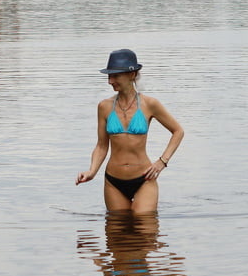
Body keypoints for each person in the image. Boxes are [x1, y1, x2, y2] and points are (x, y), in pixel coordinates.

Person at [75, 49, 184, 213]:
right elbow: (102, 145)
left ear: (132, 74)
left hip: (144, 179)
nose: (110, 81)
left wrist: (162, 162)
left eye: (115, 76)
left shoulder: (150, 104)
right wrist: (92, 171)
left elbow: (178, 131)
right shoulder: (104, 107)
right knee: (116, 235)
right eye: (109, 76)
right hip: (113, 181)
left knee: (145, 229)